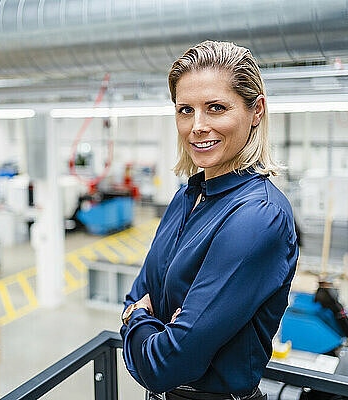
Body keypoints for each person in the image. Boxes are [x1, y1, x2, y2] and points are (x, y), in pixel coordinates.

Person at [119, 40, 299, 400]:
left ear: (256, 111)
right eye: (185, 110)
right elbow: (135, 295)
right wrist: (149, 318)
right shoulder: (186, 197)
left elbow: (165, 365)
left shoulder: (258, 216)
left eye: (215, 108)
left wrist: (136, 320)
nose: (197, 126)